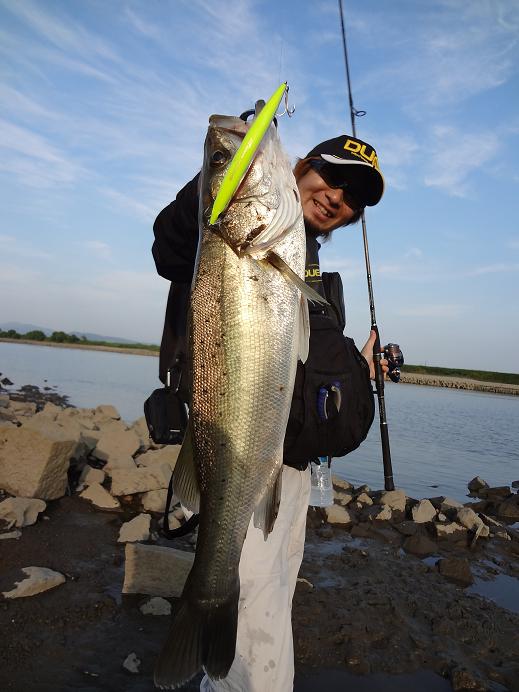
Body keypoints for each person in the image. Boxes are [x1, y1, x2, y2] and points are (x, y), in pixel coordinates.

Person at [152, 131, 388, 691]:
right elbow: (169, 243)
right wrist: (220, 174)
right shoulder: (232, 238)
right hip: (240, 461)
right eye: (331, 176)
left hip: (291, 472)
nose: (337, 196)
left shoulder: (309, 268)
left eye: (353, 195)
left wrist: (357, 371)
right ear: (299, 166)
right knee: (251, 646)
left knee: (271, 605)